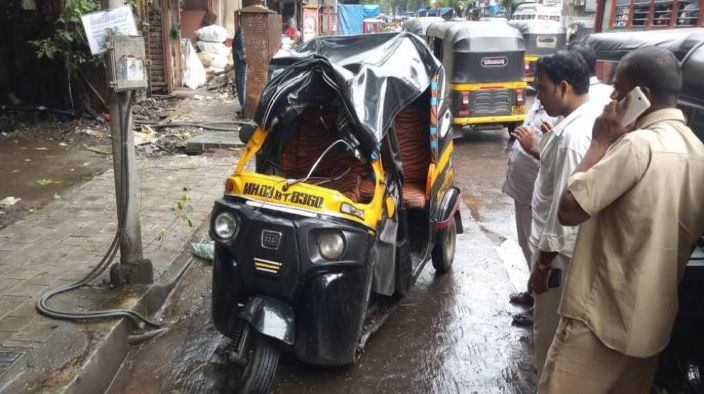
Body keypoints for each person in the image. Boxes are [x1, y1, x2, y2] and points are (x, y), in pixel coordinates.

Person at [541, 47, 704, 393]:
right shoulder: (697, 151)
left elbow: (569, 210)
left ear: (640, 96)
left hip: (599, 324)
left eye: (618, 90)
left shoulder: (636, 147)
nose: (612, 98)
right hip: (652, 328)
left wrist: (599, 143)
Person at [513, 50, 603, 378]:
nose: (538, 97)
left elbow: (560, 211)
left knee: (549, 343)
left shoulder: (571, 137)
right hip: (566, 256)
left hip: (558, 259)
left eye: (542, 89)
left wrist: (542, 266)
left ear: (563, 87)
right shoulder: (579, 121)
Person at [503, 93, 558, 326]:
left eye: (542, 83)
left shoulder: (561, 116)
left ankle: (539, 306)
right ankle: (531, 290)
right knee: (526, 243)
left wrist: (533, 147)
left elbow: (552, 158)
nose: (537, 90)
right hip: (522, 190)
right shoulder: (541, 103)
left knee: (537, 249)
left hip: (535, 196)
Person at [233, 12, 246, 115]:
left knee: (240, 84)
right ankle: (244, 108)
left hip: (240, 63)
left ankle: (244, 107)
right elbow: (241, 55)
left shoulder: (240, 33)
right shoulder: (241, 35)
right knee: (241, 84)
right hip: (241, 64)